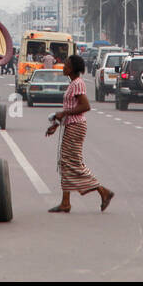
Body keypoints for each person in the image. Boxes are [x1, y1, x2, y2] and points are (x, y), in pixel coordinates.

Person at [45, 54, 114, 213]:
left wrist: (64, 113)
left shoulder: (77, 84)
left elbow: (85, 106)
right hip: (72, 125)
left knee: (72, 163)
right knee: (66, 162)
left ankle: (103, 191)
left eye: (66, 65)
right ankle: (65, 202)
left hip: (76, 126)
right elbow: (71, 109)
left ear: (73, 68)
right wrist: (56, 123)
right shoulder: (73, 83)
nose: (63, 67)